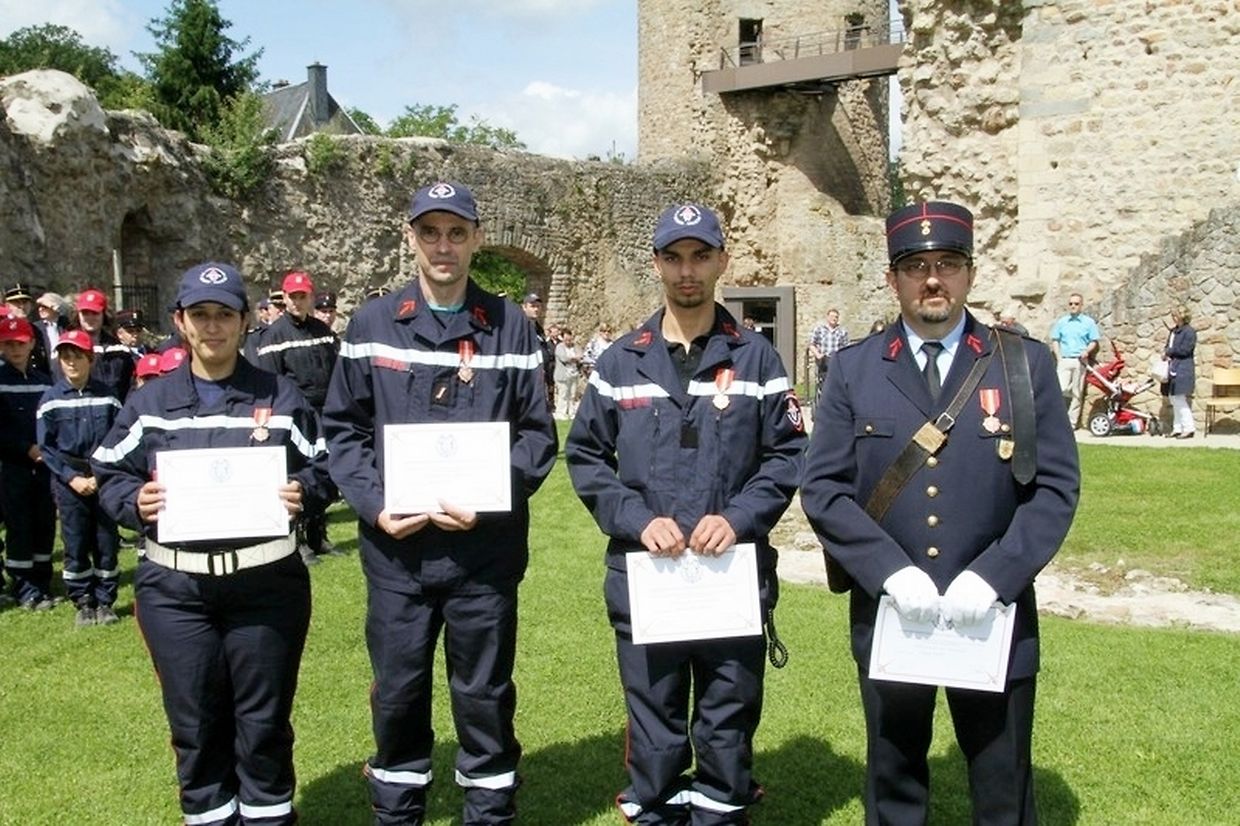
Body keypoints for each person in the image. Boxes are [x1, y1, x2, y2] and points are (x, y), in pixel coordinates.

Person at [800, 201, 1081, 825]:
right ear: (892, 278)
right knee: (894, 779)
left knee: (1003, 783)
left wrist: (996, 576)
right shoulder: (853, 369)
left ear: (970, 273)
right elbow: (823, 489)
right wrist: (890, 572)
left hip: (994, 614)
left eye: (949, 264)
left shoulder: (1022, 363)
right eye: (916, 266)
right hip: (893, 612)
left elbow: (1055, 488)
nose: (933, 280)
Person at [322, 181, 557, 825]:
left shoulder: (511, 326)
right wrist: (375, 505)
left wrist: (491, 496)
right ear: (411, 238)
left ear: (477, 239)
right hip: (397, 554)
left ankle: (489, 813)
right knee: (397, 695)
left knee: (484, 696)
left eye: (456, 233)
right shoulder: (372, 324)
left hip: (484, 553)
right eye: (430, 232)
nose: (443, 246)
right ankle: (398, 813)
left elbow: (538, 436)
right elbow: (343, 429)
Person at [566, 203, 806, 825]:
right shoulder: (621, 360)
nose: (687, 271)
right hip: (648, 574)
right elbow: (585, 455)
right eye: (674, 258)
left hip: (730, 572)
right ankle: (656, 811)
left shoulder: (757, 358)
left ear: (722, 261)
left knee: (727, 720)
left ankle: (722, 811)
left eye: (700, 256)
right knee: (655, 724)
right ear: (657, 265)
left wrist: (741, 516)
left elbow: (788, 454)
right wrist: (636, 518)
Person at [92, 261, 333, 826]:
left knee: (264, 727)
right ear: (180, 321)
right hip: (177, 592)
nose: (212, 326)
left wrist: (304, 491)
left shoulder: (280, 396)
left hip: (265, 586)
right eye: (199, 315)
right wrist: (135, 501)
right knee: (196, 730)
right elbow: (108, 470)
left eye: (224, 314)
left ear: (245, 321)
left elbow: (325, 465)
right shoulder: (151, 403)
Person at [36, 330, 123, 627]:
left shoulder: (108, 396)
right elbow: (47, 448)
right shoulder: (50, 400)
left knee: (105, 541)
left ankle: (106, 600)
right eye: (66, 357)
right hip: (69, 482)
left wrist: (100, 474)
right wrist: (71, 477)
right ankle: (83, 601)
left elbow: (117, 438)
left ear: (90, 360)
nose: (71, 363)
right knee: (75, 542)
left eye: (77, 357)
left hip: (101, 478)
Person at [255, 270, 341, 561]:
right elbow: (270, 381)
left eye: (302, 296)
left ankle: (318, 535)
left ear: (310, 297)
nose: (297, 301)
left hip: (324, 411)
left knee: (323, 473)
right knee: (297, 476)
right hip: (295, 416)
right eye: (292, 297)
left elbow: (335, 369)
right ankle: (298, 540)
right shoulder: (274, 335)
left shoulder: (322, 331)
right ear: (285, 298)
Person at [0, 316, 57, 610]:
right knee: (20, 525)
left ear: (32, 343)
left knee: (44, 523)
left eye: (20, 343)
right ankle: (24, 586)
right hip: (13, 466)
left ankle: (42, 581)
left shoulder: (44, 381)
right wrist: (26, 448)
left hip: (44, 466)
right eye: (9, 344)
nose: (15, 349)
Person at [1048, 292, 1100, 429]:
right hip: (1064, 360)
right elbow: (1055, 339)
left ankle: (1071, 423)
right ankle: (1057, 419)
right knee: (1060, 389)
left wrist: (1087, 351)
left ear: (1081, 305)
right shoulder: (1062, 322)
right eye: (1071, 303)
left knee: (1077, 392)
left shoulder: (1088, 322)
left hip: (1080, 360)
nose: (1073, 306)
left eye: (1076, 304)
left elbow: (1094, 341)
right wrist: (1059, 358)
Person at [73, 288, 135, 403]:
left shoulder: (119, 350)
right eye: (85, 313)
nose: (90, 318)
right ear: (78, 315)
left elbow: (128, 386)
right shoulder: (68, 348)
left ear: (104, 314)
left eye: (95, 313)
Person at [1162, 305, 1197, 439]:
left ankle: (1189, 428)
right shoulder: (1173, 331)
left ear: (1182, 316)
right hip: (1173, 367)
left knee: (1179, 398)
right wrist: (1165, 353)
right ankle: (1177, 428)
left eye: (1176, 316)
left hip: (1183, 368)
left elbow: (1185, 350)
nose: (1174, 318)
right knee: (1173, 398)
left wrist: (1169, 352)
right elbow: (1168, 346)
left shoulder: (1189, 332)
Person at [522, 291, 555, 412]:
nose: (536, 309)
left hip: (541, 374)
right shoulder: (521, 327)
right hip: (528, 375)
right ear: (524, 307)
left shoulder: (538, 328)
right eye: (532, 306)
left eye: (538, 306)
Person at [807, 308, 848, 404]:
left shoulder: (842, 332)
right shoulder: (819, 330)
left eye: (836, 317)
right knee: (823, 382)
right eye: (832, 316)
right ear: (827, 317)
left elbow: (845, 347)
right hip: (823, 359)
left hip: (836, 360)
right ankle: (822, 402)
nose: (834, 319)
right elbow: (811, 344)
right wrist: (818, 354)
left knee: (836, 383)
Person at [553, 326, 581, 420]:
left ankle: (571, 412)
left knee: (572, 394)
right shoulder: (559, 347)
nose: (568, 341)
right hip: (563, 375)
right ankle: (561, 413)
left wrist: (575, 358)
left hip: (574, 374)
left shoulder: (575, 346)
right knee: (563, 394)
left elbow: (580, 356)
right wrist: (574, 358)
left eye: (570, 339)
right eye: (566, 339)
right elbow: (564, 358)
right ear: (562, 338)